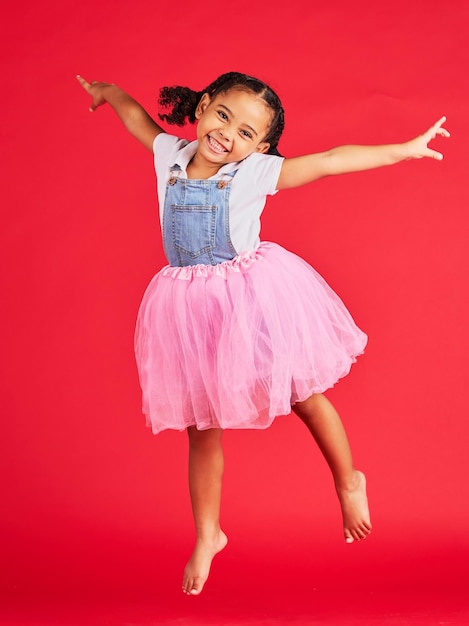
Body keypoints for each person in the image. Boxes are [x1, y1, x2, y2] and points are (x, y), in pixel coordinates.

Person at [76, 71, 449, 596]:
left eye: (247, 133)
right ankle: (209, 534)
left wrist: (403, 150)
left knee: (304, 394)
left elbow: (328, 161)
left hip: (249, 300)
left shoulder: (250, 175)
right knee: (200, 427)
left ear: (262, 148)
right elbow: (137, 119)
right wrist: (108, 93)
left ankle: (348, 479)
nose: (229, 134)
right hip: (188, 308)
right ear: (204, 106)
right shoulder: (171, 156)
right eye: (224, 115)